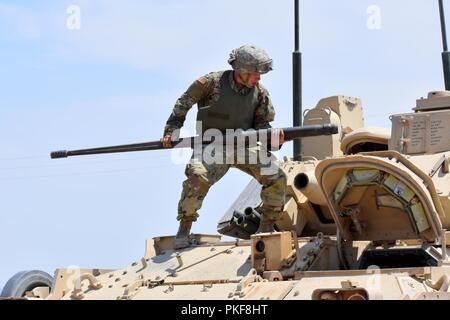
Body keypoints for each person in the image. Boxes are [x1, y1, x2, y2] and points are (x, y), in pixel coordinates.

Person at [161, 45, 286, 249]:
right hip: (211, 145)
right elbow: (183, 104)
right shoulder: (210, 83)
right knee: (197, 176)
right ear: (242, 71)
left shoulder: (260, 93)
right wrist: (171, 130)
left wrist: (274, 139)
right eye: (255, 74)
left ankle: (266, 227)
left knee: (276, 175)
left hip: (244, 147)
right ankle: (184, 229)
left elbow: (262, 125)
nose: (259, 78)